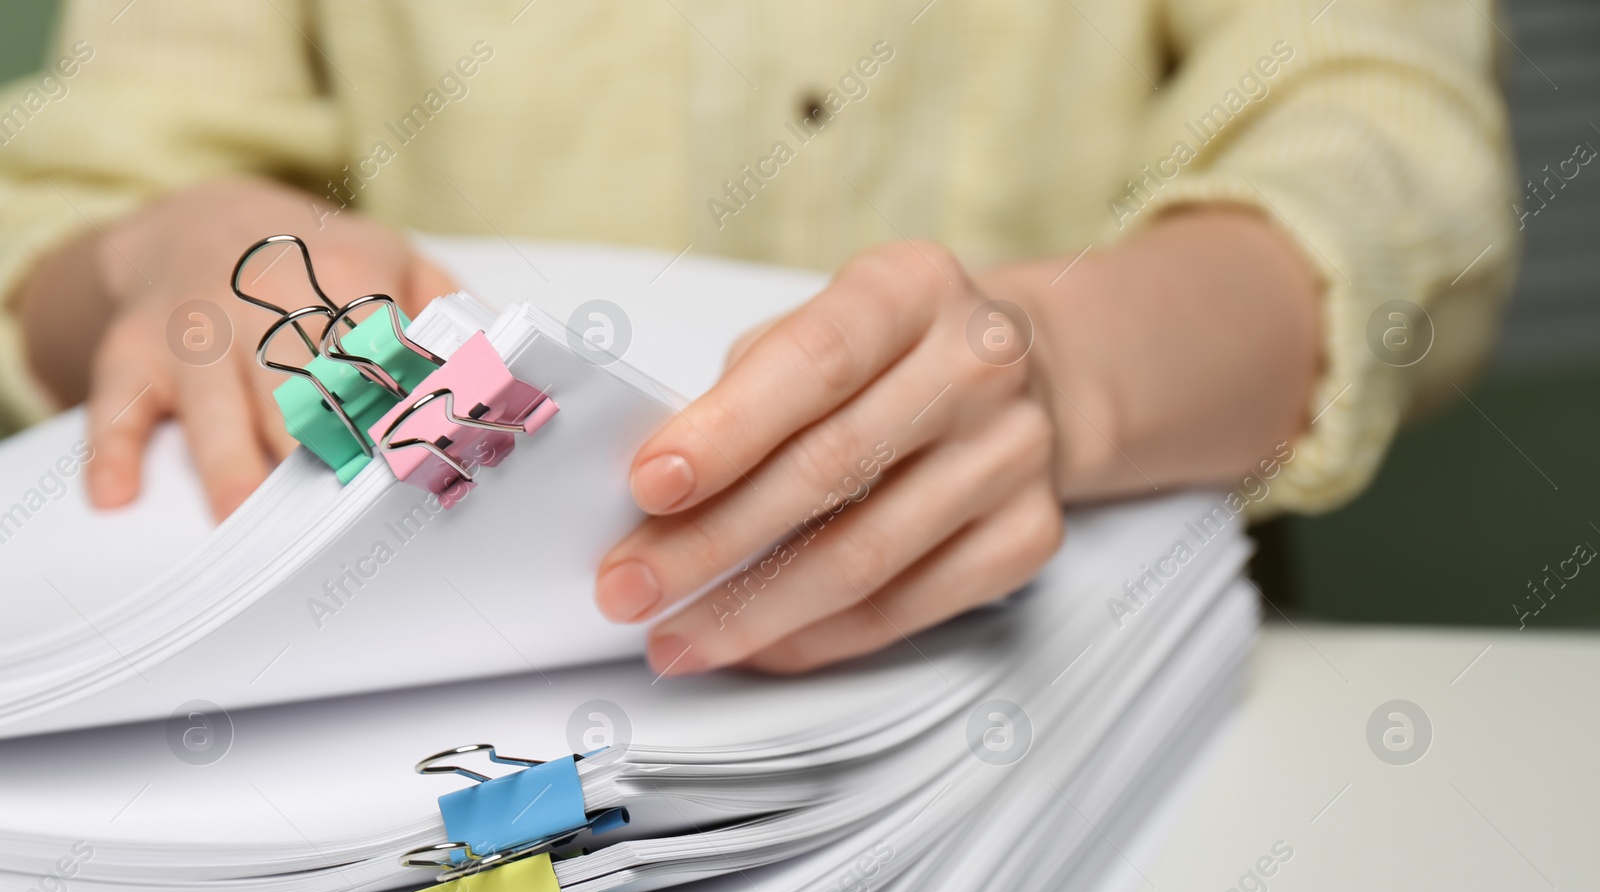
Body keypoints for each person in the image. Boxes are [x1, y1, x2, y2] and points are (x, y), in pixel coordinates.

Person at [0, 2, 1515, 676]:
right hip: (424, 713)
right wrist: (161, 249)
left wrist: (1072, 370)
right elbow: (67, 199)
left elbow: (1384, 155)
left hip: (1080, 678)